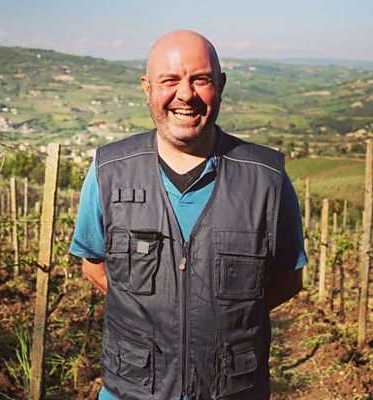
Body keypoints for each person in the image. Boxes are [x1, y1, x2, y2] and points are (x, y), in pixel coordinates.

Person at [70, 30, 307, 400]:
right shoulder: (108, 171)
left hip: (233, 390)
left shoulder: (267, 179)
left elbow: (288, 279)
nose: (185, 94)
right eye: (169, 80)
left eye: (201, 79)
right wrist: (149, 319)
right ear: (147, 87)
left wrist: (225, 324)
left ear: (221, 85)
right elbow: (94, 266)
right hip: (132, 389)